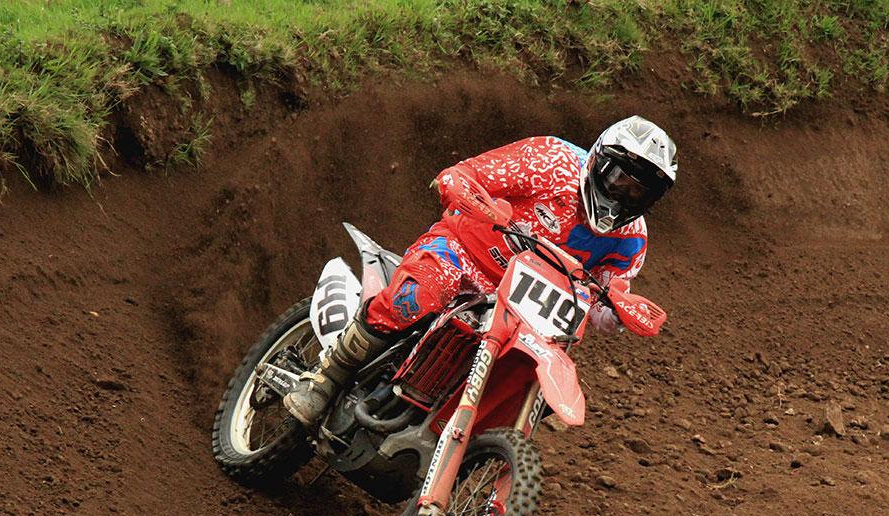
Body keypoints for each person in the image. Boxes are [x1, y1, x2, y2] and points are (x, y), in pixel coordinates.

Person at [284, 115, 678, 426]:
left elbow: (604, 302)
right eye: (619, 180)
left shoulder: (632, 239)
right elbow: (462, 175)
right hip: (463, 253)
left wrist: (622, 313)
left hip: (523, 309)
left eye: (637, 191)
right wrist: (474, 200)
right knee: (422, 295)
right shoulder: (548, 161)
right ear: (598, 162)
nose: (623, 195)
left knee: (530, 380)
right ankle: (325, 378)